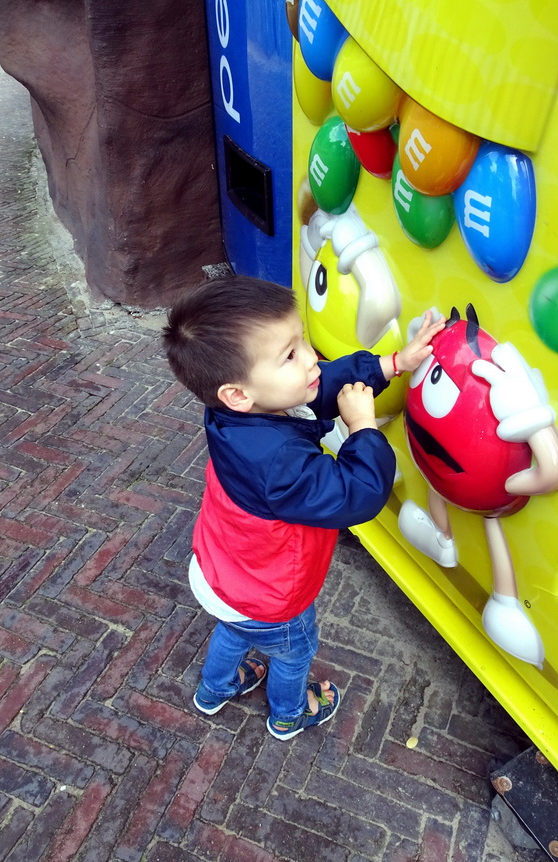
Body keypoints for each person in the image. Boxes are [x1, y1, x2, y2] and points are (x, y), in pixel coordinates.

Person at [162, 275, 444, 740]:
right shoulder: (277, 464)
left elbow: (316, 384)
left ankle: (214, 690)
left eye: (303, 342)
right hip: (271, 596)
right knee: (294, 652)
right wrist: (363, 429)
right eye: (290, 355)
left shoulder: (233, 410)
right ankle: (290, 714)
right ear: (238, 391)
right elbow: (355, 494)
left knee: (233, 630)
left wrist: (393, 364)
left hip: (222, 573)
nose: (312, 359)